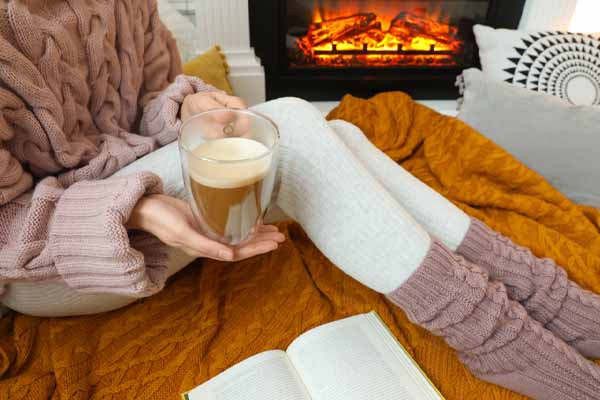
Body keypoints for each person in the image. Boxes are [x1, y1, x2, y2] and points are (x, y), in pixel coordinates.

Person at [0, 1, 599, 399]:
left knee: (335, 134)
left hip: (151, 191)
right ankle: (492, 332)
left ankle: (538, 292)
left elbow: (152, 98)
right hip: (55, 261)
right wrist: (128, 208)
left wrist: (187, 106)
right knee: (290, 125)